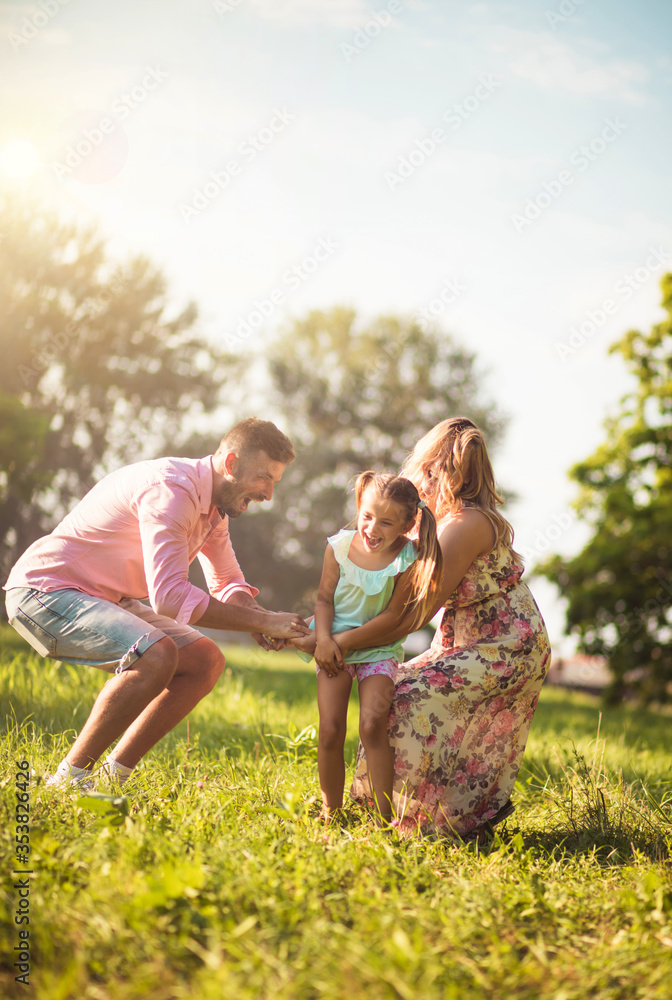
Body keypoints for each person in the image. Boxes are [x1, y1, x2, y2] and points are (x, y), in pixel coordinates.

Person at [4, 417, 310, 788]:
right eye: (264, 479)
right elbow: (169, 597)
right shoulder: (171, 490)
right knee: (156, 654)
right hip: (46, 591)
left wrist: (262, 619)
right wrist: (262, 622)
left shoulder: (214, 507)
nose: (268, 494)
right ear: (230, 464)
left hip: (109, 597)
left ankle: (111, 778)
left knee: (205, 661)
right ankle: (69, 780)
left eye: (274, 482)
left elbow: (227, 581)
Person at [324, 418, 551, 838]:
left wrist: (336, 641)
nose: (422, 477)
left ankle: (428, 819)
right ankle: (388, 809)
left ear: (452, 473)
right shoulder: (435, 522)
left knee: (409, 697)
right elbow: (373, 592)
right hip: (466, 639)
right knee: (396, 690)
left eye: (432, 469)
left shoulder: (466, 525)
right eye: (422, 466)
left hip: (504, 645)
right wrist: (315, 627)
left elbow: (410, 612)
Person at [293, 472, 442, 823]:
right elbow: (323, 600)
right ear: (359, 509)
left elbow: (392, 618)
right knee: (330, 728)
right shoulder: (339, 547)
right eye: (367, 517)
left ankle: (385, 819)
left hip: (378, 650)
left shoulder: (409, 559)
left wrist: (339, 642)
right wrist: (326, 640)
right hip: (333, 649)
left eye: (386, 522)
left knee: (373, 725)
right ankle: (332, 812)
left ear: (407, 526)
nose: (373, 529)